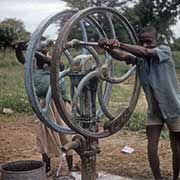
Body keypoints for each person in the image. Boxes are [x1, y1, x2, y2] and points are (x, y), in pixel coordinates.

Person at [98, 26, 180, 180]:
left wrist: (119, 43)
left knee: (176, 148)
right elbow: (122, 56)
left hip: (174, 108)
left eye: (148, 42)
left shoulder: (164, 51)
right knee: (151, 147)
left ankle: (176, 178)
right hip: (154, 111)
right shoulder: (140, 59)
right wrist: (108, 47)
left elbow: (147, 52)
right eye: (141, 42)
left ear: (157, 40)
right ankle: (158, 178)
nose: (145, 45)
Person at [15, 42, 75, 174]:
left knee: (65, 135)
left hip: (59, 105)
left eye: (41, 51)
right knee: (43, 137)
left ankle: (71, 167)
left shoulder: (55, 63)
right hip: (44, 106)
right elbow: (22, 60)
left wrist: (31, 50)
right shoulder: (33, 66)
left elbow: (51, 62)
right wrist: (18, 49)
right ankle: (46, 168)